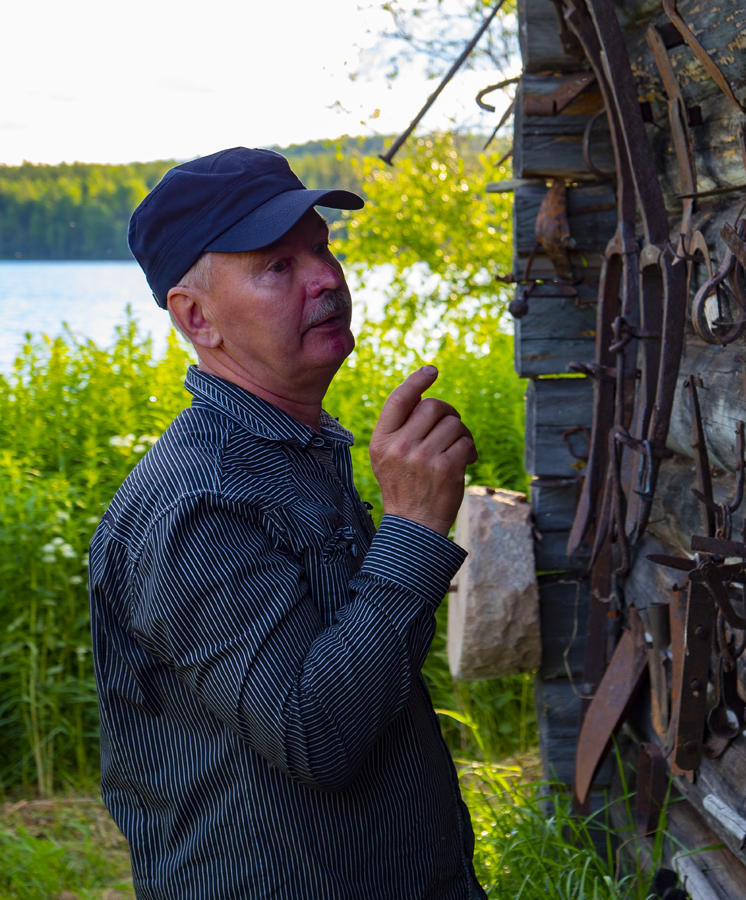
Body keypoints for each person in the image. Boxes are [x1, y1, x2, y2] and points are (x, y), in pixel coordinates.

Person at [89, 147, 484, 899]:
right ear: (196, 316)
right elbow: (315, 732)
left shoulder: (288, 452)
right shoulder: (195, 505)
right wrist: (410, 528)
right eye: (277, 265)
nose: (326, 277)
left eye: (322, 247)